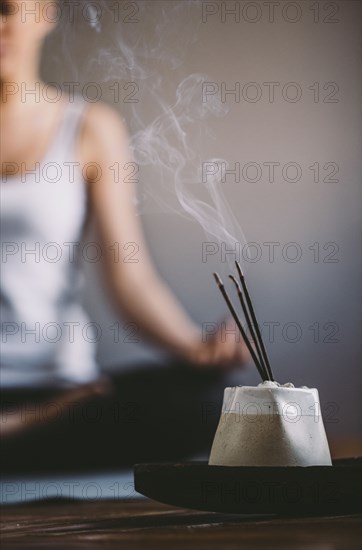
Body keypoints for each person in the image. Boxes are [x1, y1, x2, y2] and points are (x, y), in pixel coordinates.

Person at [0, 0, 249, 471]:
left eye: (5, 8)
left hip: (68, 391)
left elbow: (130, 279)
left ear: (44, 13)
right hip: (55, 416)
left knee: (203, 404)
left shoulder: (90, 128)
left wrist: (194, 348)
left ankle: (27, 428)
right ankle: (25, 431)